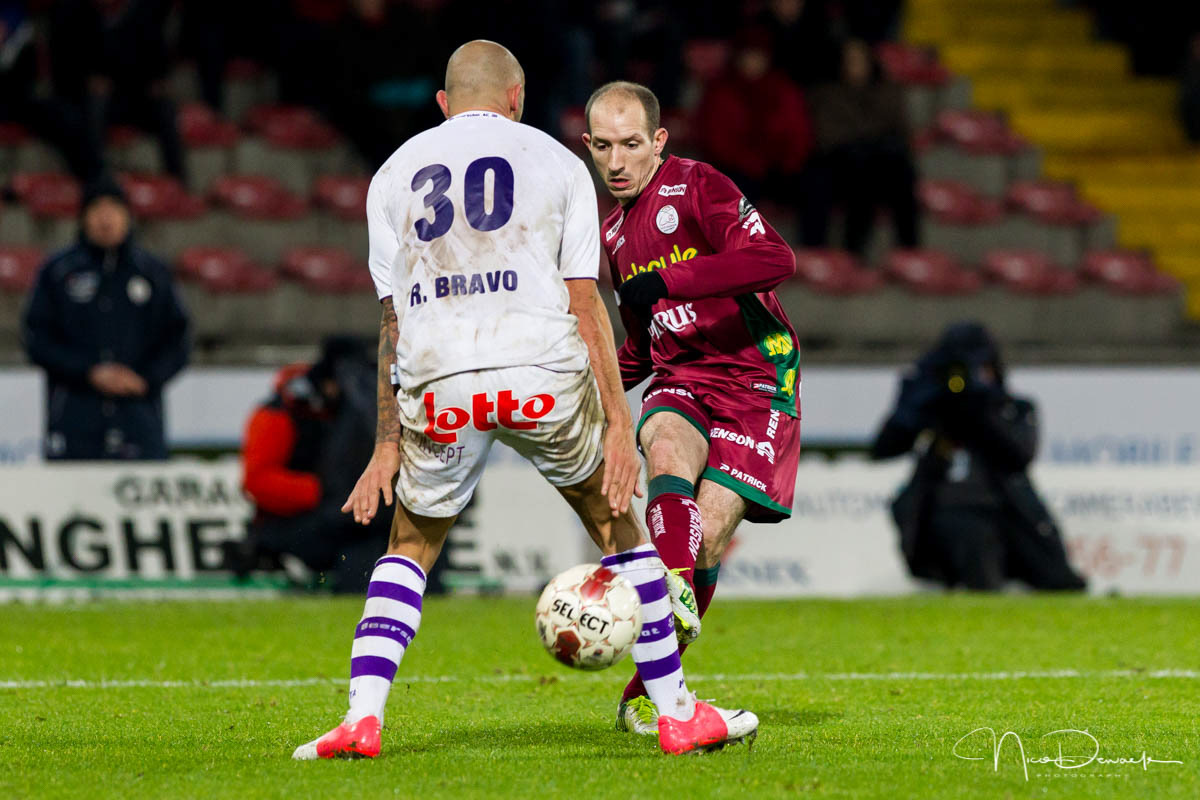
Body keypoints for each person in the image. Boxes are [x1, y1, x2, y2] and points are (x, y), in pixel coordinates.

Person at [291, 41, 756, 761]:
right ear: (517, 97)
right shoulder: (558, 162)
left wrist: (387, 442)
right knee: (619, 533)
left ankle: (361, 718)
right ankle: (677, 714)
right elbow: (586, 303)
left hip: (440, 375)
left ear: (443, 103)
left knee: (410, 546)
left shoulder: (390, 175)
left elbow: (392, 321)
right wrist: (614, 422)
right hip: (537, 368)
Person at [582, 81, 801, 735]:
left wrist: (673, 277)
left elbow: (774, 257)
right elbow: (645, 350)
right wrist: (581, 385)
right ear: (588, 147)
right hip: (682, 376)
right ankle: (670, 590)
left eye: (630, 145)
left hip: (758, 381)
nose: (617, 162)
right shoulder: (613, 233)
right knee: (666, 440)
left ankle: (642, 693)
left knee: (707, 543)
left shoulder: (699, 186)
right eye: (604, 147)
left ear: (658, 142)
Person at [869, 322, 1087, 592]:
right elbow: (883, 448)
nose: (961, 381)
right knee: (975, 544)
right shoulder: (932, 404)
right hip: (950, 511)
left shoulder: (1013, 408)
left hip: (1009, 509)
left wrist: (980, 407)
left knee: (1062, 581)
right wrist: (916, 406)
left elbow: (1018, 456)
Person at [230, 336, 422, 594]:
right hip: (295, 520)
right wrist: (321, 492)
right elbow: (258, 481)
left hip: (336, 518)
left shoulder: (349, 412)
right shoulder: (282, 413)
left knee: (367, 536)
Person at [21, 175, 190, 460]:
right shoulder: (59, 272)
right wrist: (89, 371)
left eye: (114, 209)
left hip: (140, 419)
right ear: (83, 218)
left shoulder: (152, 272)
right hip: (74, 418)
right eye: (97, 209)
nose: (106, 218)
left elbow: (178, 339)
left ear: (128, 216)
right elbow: (37, 338)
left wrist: (145, 379)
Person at [805, 38, 919, 255]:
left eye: (859, 60)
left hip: (880, 163)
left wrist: (869, 142)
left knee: (902, 172)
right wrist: (869, 140)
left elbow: (902, 132)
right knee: (859, 172)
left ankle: (910, 250)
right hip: (841, 165)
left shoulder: (888, 90)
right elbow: (827, 137)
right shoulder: (826, 94)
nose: (854, 66)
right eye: (849, 61)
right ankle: (851, 251)